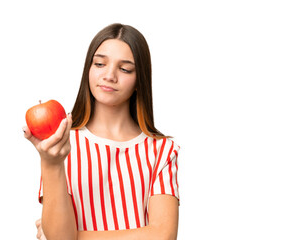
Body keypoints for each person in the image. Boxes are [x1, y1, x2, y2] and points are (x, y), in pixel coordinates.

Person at [23, 23, 180, 240]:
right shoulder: (60, 142)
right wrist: (51, 163)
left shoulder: (162, 150)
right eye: (99, 64)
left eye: (125, 69)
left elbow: (163, 235)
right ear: (88, 68)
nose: (109, 75)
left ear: (139, 81)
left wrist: (77, 237)